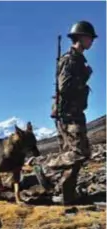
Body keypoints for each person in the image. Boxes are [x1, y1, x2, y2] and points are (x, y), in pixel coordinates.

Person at [47, 21, 98, 205]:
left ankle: (66, 196)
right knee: (79, 152)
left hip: (74, 112)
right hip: (68, 114)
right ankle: (44, 166)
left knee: (72, 158)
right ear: (80, 38)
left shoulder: (78, 60)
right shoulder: (70, 59)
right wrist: (84, 77)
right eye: (89, 37)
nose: (92, 41)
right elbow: (64, 86)